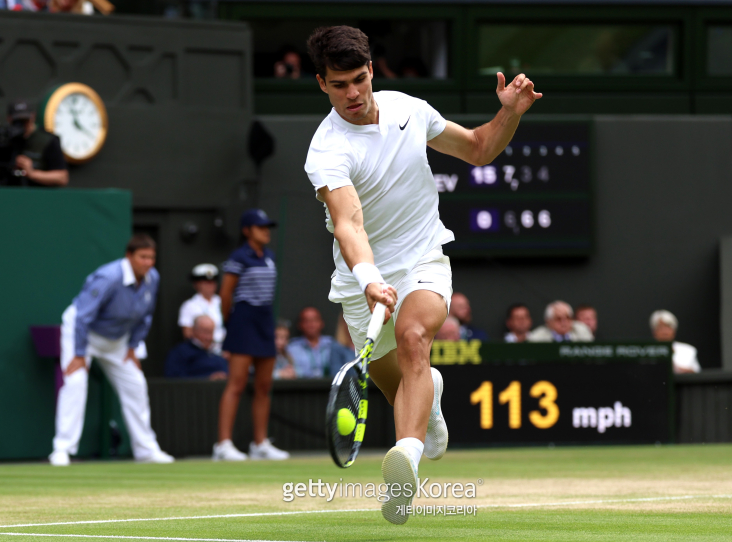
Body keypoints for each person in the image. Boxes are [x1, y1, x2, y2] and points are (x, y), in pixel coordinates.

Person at [303, 25, 540, 524]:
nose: (353, 93)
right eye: (340, 84)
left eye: (360, 79)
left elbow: (477, 148)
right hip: (360, 280)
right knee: (402, 384)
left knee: (414, 337)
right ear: (322, 83)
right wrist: (369, 279)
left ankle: (405, 462)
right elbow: (349, 224)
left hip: (423, 258)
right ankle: (428, 401)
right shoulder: (326, 151)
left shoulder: (410, 108)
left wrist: (510, 114)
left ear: (372, 71)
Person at [49, 234, 173, 466]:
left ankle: (146, 450)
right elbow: (83, 317)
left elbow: (146, 315)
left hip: (118, 341)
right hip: (83, 334)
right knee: (75, 384)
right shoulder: (109, 277)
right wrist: (78, 353)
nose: (148, 262)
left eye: (151, 257)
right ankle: (62, 449)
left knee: (136, 385)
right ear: (129, 256)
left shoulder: (152, 278)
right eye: (143, 257)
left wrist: (133, 346)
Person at [213, 209, 289, 461]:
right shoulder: (238, 257)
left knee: (264, 386)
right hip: (243, 322)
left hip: (265, 322)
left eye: (267, 226)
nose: (266, 230)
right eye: (260, 226)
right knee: (236, 384)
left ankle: (260, 444)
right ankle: (223, 445)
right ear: (247, 231)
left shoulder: (269, 256)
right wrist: (231, 321)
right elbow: (225, 294)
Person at [2, 100, 68, 187]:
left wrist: (32, 173)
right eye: (17, 121)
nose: (22, 125)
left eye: (25, 120)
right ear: (9, 119)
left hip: (38, 195)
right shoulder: (5, 139)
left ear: (33, 117)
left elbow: (62, 178)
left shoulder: (48, 140)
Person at [288, 307, 353, 377]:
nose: (311, 324)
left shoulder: (333, 345)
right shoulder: (291, 348)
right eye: (306, 321)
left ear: (322, 323)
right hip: (301, 386)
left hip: (328, 385)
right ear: (299, 324)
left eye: (315, 320)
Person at [178, 263, 226, 354]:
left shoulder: (223, 302)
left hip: (225, 350)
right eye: (206, 282)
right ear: (196, 284)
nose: (210, 285)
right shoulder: (189, 305)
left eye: (213, 281)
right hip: (201, 352)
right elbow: (187, 334)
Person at [164, 315, 228, 380]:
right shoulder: (180, 352)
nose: (208, 337)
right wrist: (207, 378)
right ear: (194, 331)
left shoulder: (218, 354)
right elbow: (173, 379)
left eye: (211, 332)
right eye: (205, 332)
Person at [650, 310, 701, 374]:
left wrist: (674, 367)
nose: (664, 332)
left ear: (674, 331)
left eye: (668, 327)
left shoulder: (689, 351)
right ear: (654, 332)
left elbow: (697, 374)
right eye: (661, 327)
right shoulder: (646, 351)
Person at [528, 301, 594, 343]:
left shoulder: (583, 332)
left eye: (568, 318)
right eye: (558, 319)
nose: (564, 322)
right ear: (548, 321)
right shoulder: (537, 338)